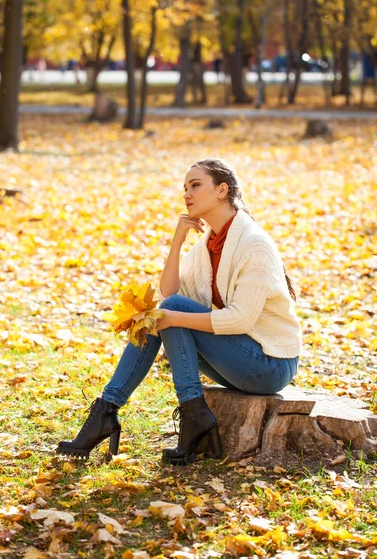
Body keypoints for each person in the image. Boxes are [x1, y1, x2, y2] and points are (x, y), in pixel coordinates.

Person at [57, 158, 301, 465]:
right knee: (162, 313)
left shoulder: (253, 244)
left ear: (222, 190)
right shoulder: (208, 244)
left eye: (196, 185)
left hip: (270, 364)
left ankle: (178, 412)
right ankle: (108, 409)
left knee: (168, 313)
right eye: (185, 187)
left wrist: (171, 317)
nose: (187, 194)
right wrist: (177, 242)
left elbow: (240, 318)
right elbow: (170, 293)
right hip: (239, 357)